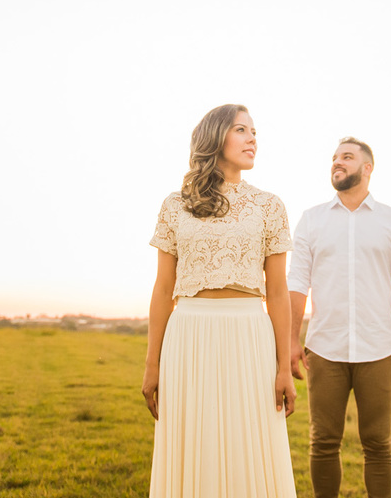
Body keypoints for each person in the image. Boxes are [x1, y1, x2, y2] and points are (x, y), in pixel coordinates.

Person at [143, 104, 297, 497]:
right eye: (241, 130)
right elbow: (163, 289)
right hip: (188, 334)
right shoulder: (175, 205)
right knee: (194, 442)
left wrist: (283, 366)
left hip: (249, 335)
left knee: (249, 440)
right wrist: (152, 364)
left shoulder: (269, 205)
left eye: (254, 132)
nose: (252, 139)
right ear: (215, 137)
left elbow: (278, 292)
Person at [287, 137, 391, 498]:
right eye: (335, 157)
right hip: (324, 348)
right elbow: (297, 282)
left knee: (379, 444)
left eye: (347, 157)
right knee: (323, 442)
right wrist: (290, 340)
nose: (337, 162)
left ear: (367, 168)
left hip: (378, 348)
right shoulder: (311, 220)